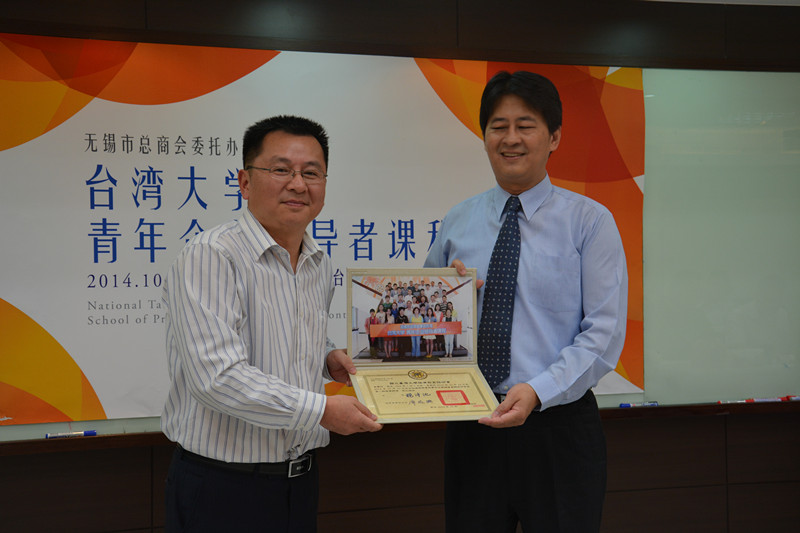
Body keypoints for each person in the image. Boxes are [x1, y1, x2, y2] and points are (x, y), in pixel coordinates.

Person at [424, 71, 628, 532]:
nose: (510, 138)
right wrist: (449, 300)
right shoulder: (458, 221)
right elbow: (424, 321)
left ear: (554, 137)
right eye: (498, 126)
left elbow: (603, 333)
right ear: (484, 136)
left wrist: (537, 391)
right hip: (473, 423)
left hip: (558, 426)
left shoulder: (589, 222)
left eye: (526, 125)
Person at [162, 115, 382, 533]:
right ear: (245, 182)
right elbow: (217, 377)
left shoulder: (318, 262)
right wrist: (321, 410)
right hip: (221, 487)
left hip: (300, 481)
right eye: (281, 170)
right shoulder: (211, 255)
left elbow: (289, 335)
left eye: (311, 173)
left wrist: (326, 357)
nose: (298, 184)